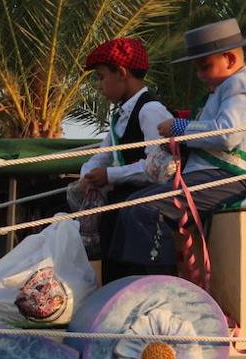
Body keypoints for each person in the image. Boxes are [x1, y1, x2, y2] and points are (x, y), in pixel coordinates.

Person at [103, 19, 246, 280]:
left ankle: (156, 290)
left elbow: (226, 135)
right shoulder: (224, 88)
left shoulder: (241, 86)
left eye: (205, 66)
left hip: (233, 177)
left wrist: (179, 128)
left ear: (229, 59)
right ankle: (126, 286)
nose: (200, 74)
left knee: (146, 209)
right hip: (213, 176)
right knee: (130, 205)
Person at [72, 37, 175, 275]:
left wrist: (110, 175)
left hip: (140, 213)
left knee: (133, 275)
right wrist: (88, 174)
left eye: (101, 77)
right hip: (120, 208)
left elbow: (161, 168)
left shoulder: (150, 111)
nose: (100, 85)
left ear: (121, 72)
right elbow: (103, 155)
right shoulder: (120, 116)